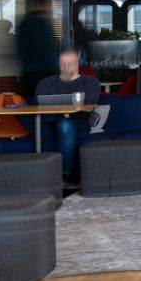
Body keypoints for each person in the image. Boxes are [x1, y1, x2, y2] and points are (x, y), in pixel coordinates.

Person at [34, 46, 101, 183]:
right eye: (63, 63)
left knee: (65, 125)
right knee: (56, 123)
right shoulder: (45, 83)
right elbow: (38, 104)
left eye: (71, 63)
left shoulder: (90, 82)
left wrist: (63, 111)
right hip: (49, 123)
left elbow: (90, 101)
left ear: (79, 63)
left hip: (78, 122)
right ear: (57, 63)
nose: (66, 67)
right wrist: (66, 109)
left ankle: (65, 176)